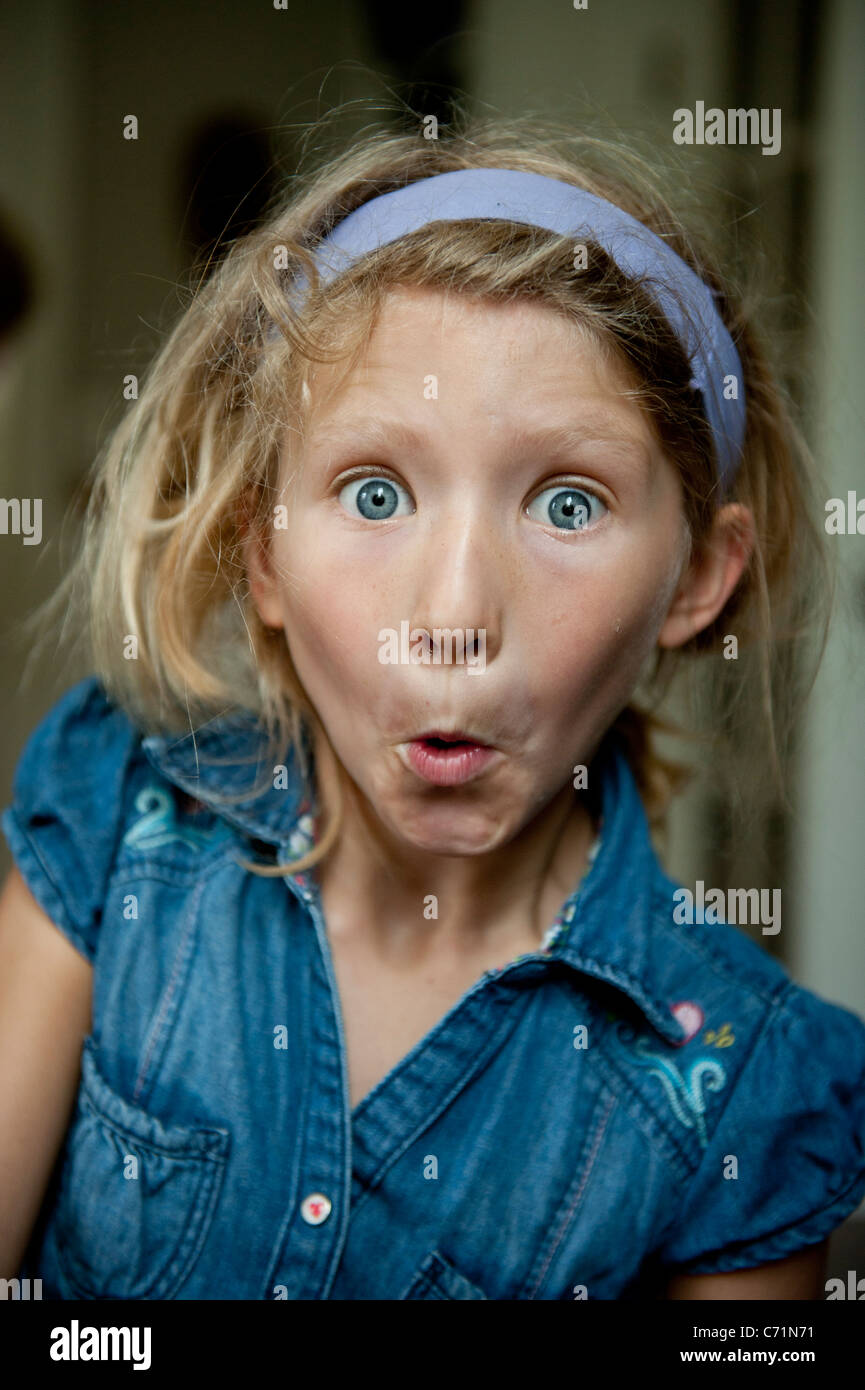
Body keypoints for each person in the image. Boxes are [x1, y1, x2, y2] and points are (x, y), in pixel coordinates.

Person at [1, 115, 863, 1301]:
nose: (452, 616)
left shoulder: (747, 1086)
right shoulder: (115, 819)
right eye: (373, 491)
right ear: (261, 553)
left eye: (567, 506)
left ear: (697, 578)